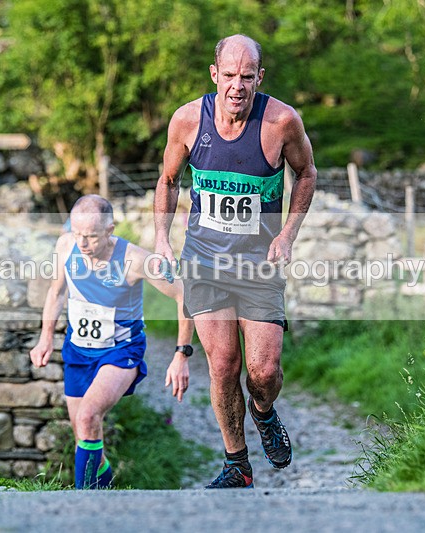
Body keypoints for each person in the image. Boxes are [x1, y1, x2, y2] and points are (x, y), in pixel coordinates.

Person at [153, 34, 316, 488]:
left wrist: (287, 234)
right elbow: (167, 180)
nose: (237, 86)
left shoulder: (281, 120)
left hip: (258, 264)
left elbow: (306, 173)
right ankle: (236, 463)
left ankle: (263, 411)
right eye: (229, 75)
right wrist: (161, 240)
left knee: (263, 372)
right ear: (214, 75)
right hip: (204, 260)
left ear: (259, 78)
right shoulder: (187, 120)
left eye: (247, 76)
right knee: (223, 364)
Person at [30, 195, 194, 489]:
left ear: (110, 230)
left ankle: (85, 501)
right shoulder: (66, 246)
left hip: (120, 352)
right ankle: (105, 487)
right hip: (77, 351)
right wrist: (45, 339)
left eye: (91, 236)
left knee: (89, 416)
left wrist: (181, 353)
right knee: (83, 432)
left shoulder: (135, 260)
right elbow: (56, 293)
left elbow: (185, 295)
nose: (83, 243)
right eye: (78, 233)